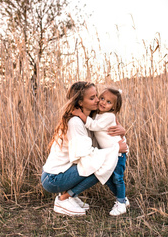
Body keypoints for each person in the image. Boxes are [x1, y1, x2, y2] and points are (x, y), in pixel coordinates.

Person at [41, 82, 128, 216]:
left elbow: (105, 128)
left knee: (102, 161)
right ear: (80, 102)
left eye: (97, 96)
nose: (99, 100)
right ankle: (63, 200)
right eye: (92, 98)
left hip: (62, 172)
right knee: (101, 163)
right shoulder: (75, 122)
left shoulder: (90, 119)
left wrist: (122, 130)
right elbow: (85, 156)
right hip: (53, 179)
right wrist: (116, 148)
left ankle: (70, 196)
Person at [72, 87, 129, 216]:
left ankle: (121, 203)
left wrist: (80, 115)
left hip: (118, 153)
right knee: (109, 178)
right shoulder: (99, 114)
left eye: (108, 102)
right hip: (110, 153)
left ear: (114, 107)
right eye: (102, 98)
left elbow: (94, 126)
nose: (103, 102)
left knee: (117, 178)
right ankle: (122, 199)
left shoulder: (109, 116)